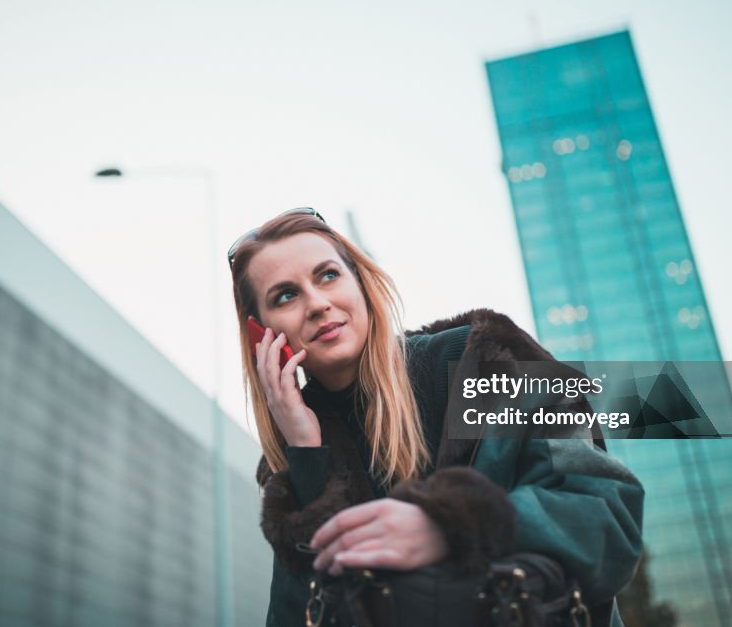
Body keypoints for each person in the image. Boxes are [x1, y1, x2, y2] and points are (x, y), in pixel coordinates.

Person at [228, 208, 644, 627]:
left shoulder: (482, 362)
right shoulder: (297, 458)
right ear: (262, 335)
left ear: (361, 283)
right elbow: (301, 614)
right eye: (285, 295)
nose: (317, 304)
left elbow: (605, 516)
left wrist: (449, 526)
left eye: (328, 275)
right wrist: (306, 455)